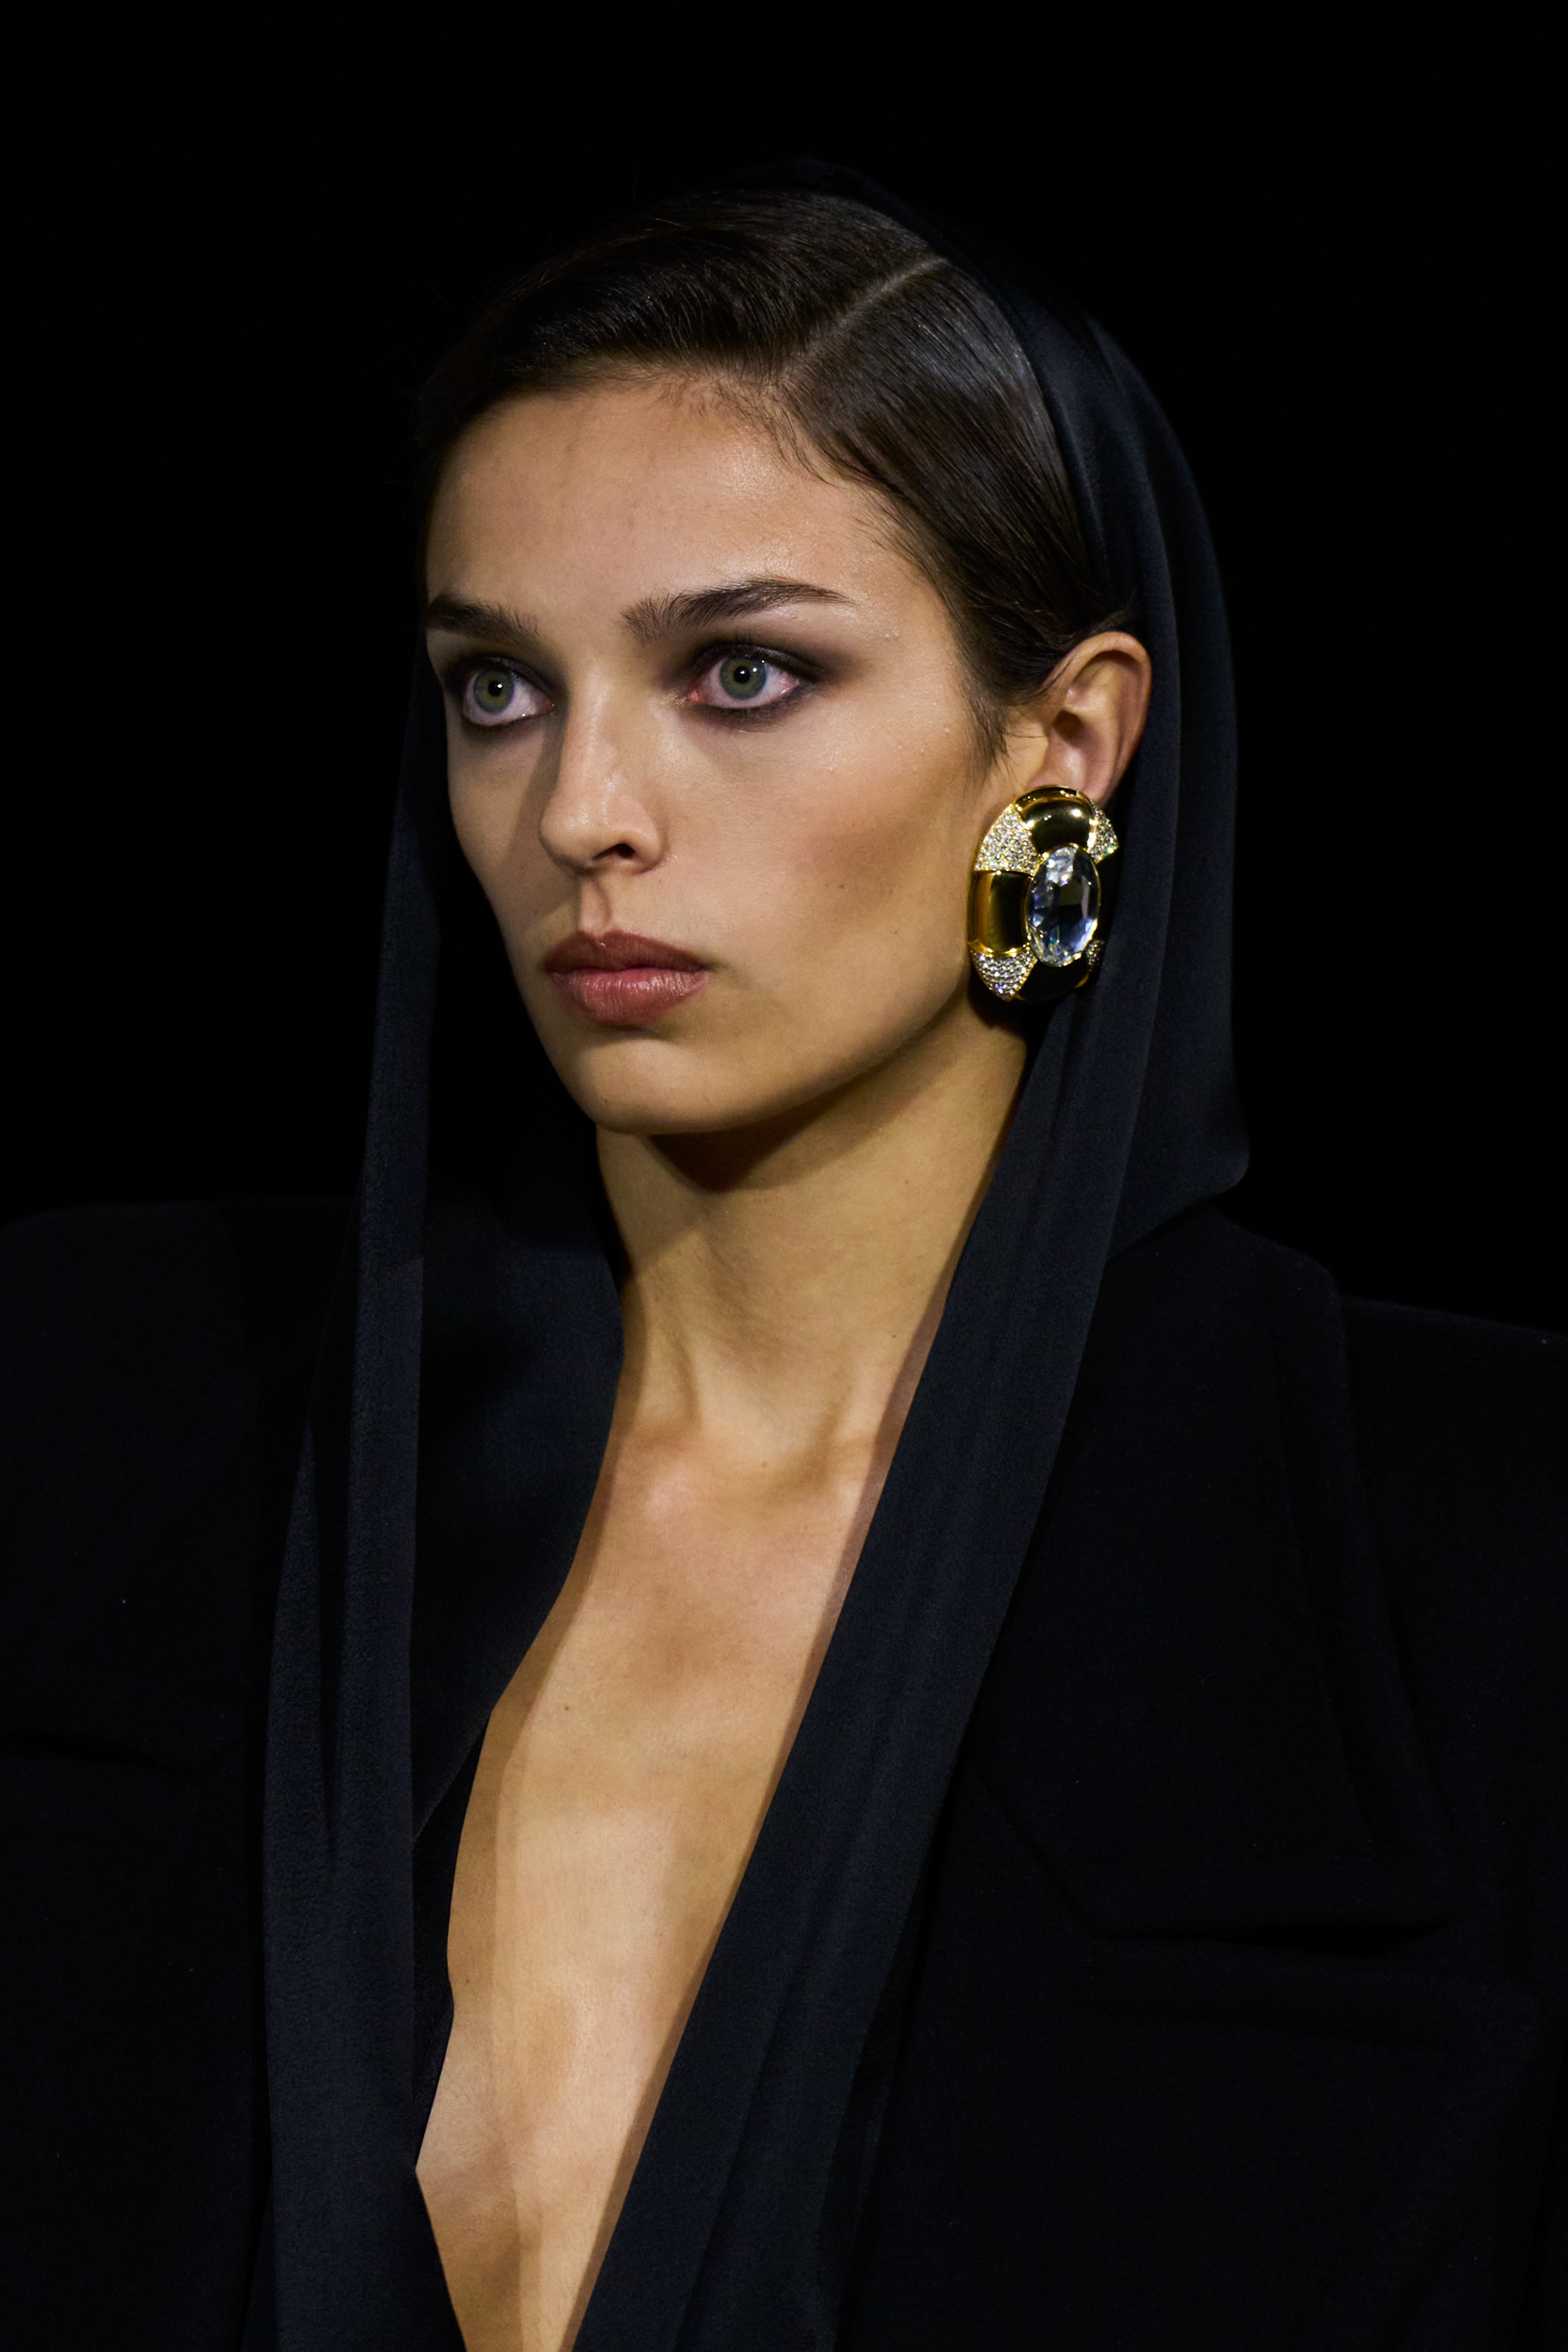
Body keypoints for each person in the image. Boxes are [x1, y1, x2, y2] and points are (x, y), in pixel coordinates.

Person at [1, 163, 1562, 2352]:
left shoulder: (1475, 1561)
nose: (582, 810)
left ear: (1067, 741)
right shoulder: (99, 1422)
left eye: (742, 672)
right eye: (497, 687)